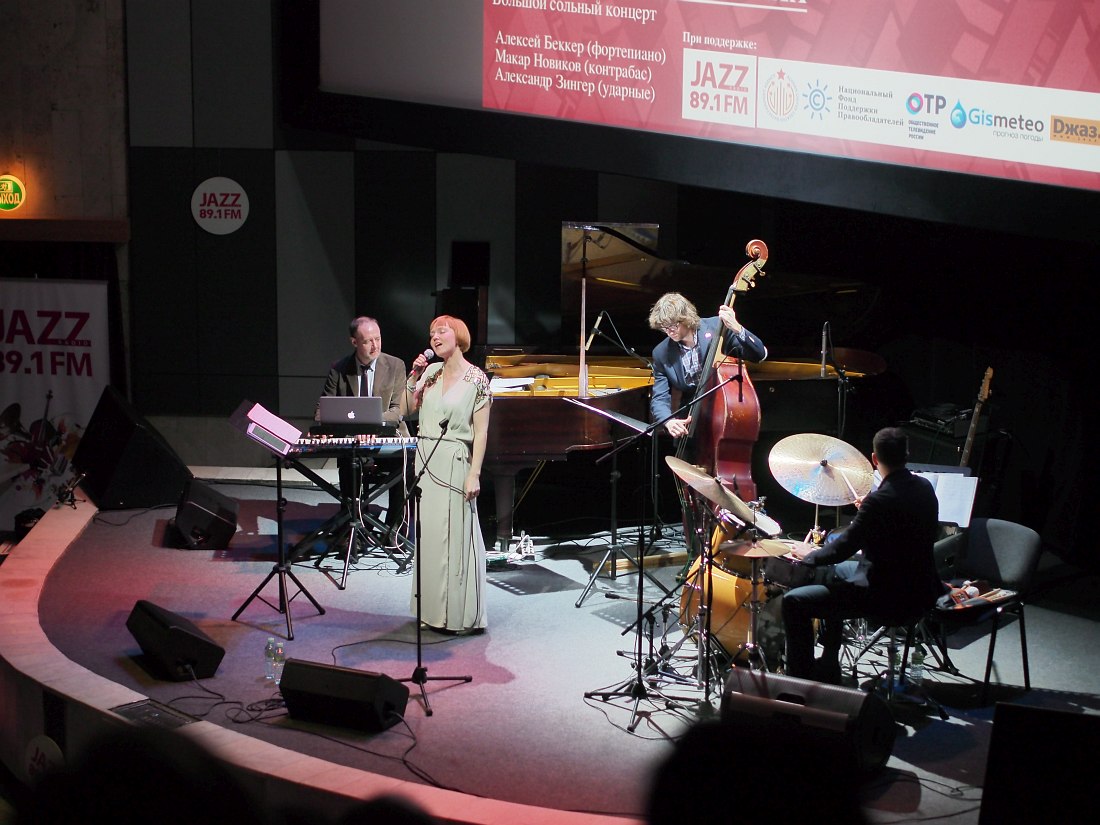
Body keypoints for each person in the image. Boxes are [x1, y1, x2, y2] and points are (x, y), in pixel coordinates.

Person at [781, 427, 944, 683]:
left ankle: (799, 679)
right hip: (921, 589)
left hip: (883, 596)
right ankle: (830, 661)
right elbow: (898, 523)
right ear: (907, 455)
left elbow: (841, 549)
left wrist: (808, 554)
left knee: (794, 602)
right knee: (830, 573)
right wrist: (870, 507)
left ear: (874, 459)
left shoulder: (877, 503)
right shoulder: (923, 488)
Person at [399, 315, 491, 634]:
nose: (435, 337)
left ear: (458, 336)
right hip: (425, 459)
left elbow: (480, 433)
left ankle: (457, 615)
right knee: (430, 540)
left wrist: (474, 474)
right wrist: (414, 376)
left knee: (453, 537)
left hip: (454, 460)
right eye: (431, 333)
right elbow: (406, 408)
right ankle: (430, 612)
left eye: (442, 330)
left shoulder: (476, 378)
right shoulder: (431, 373)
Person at [317, 316, 409, 546]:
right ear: (354, 342)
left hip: (387, 437)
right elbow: (322, 412)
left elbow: (397, 411)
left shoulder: (395, 365)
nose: (375, 345)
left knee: (403, 464)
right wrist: (354, 429)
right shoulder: (339, 368)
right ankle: (354, 528)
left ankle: (394, 530)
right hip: (354, 442)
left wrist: (369, 424)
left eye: (378, 339)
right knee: (348, 464)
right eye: (368, 341)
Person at [647, 292, 767, 439]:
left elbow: (759, 355)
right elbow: (659, 397)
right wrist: (668, 421)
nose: (669, 331)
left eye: (673, 325)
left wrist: (737, 328)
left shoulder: (717, 327)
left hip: (724, 410)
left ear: (686, 318)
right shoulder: (661, 352)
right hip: (690, 421)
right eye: (664, 328)